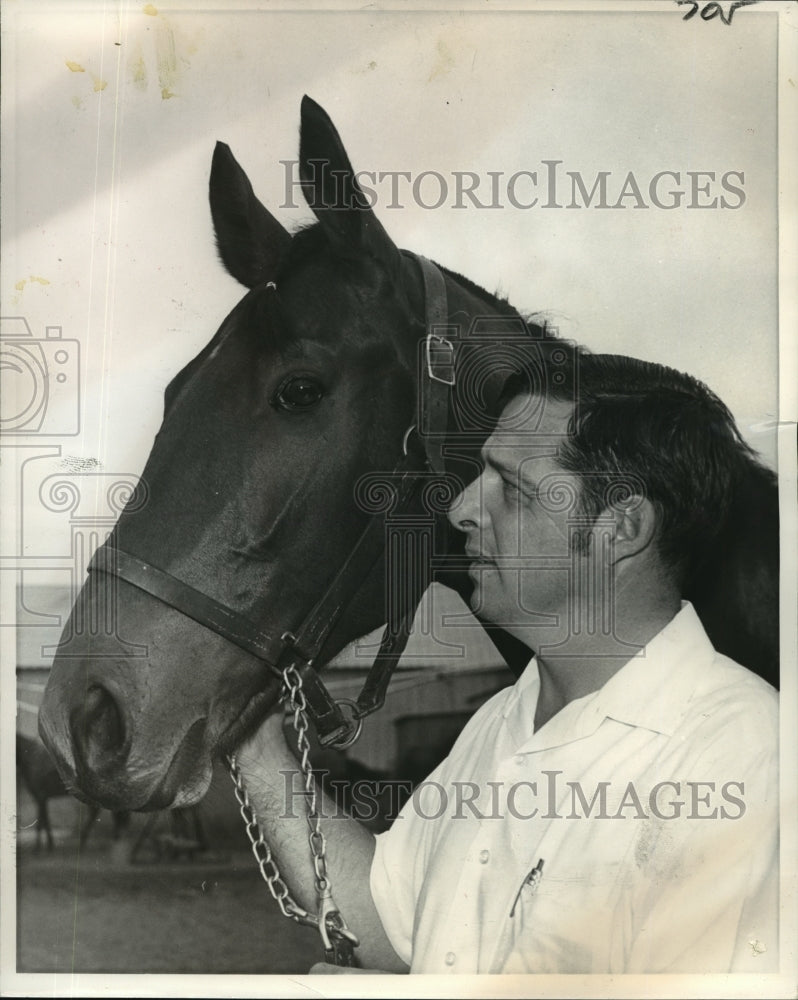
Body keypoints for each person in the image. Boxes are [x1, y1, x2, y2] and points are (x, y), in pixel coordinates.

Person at [235, 352, 778, 975]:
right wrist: (257, 748)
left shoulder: (740, 755)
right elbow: (392, 925)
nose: (461, 509)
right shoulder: (506, 717)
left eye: (512, 489)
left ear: (621, 529)